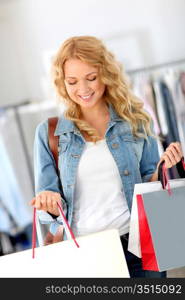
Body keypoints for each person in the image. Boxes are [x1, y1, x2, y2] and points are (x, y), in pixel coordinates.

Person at [31, 36, 183, 278]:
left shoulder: (136, 120)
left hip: (140, 246)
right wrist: (48, 202)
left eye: (91, 78)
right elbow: (46, 203)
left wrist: (164, 165)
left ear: (106, 73)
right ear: (62, 83)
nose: (83, 89)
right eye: (72, 82)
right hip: (85, 253)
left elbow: (149, 183)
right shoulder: (49, 133)